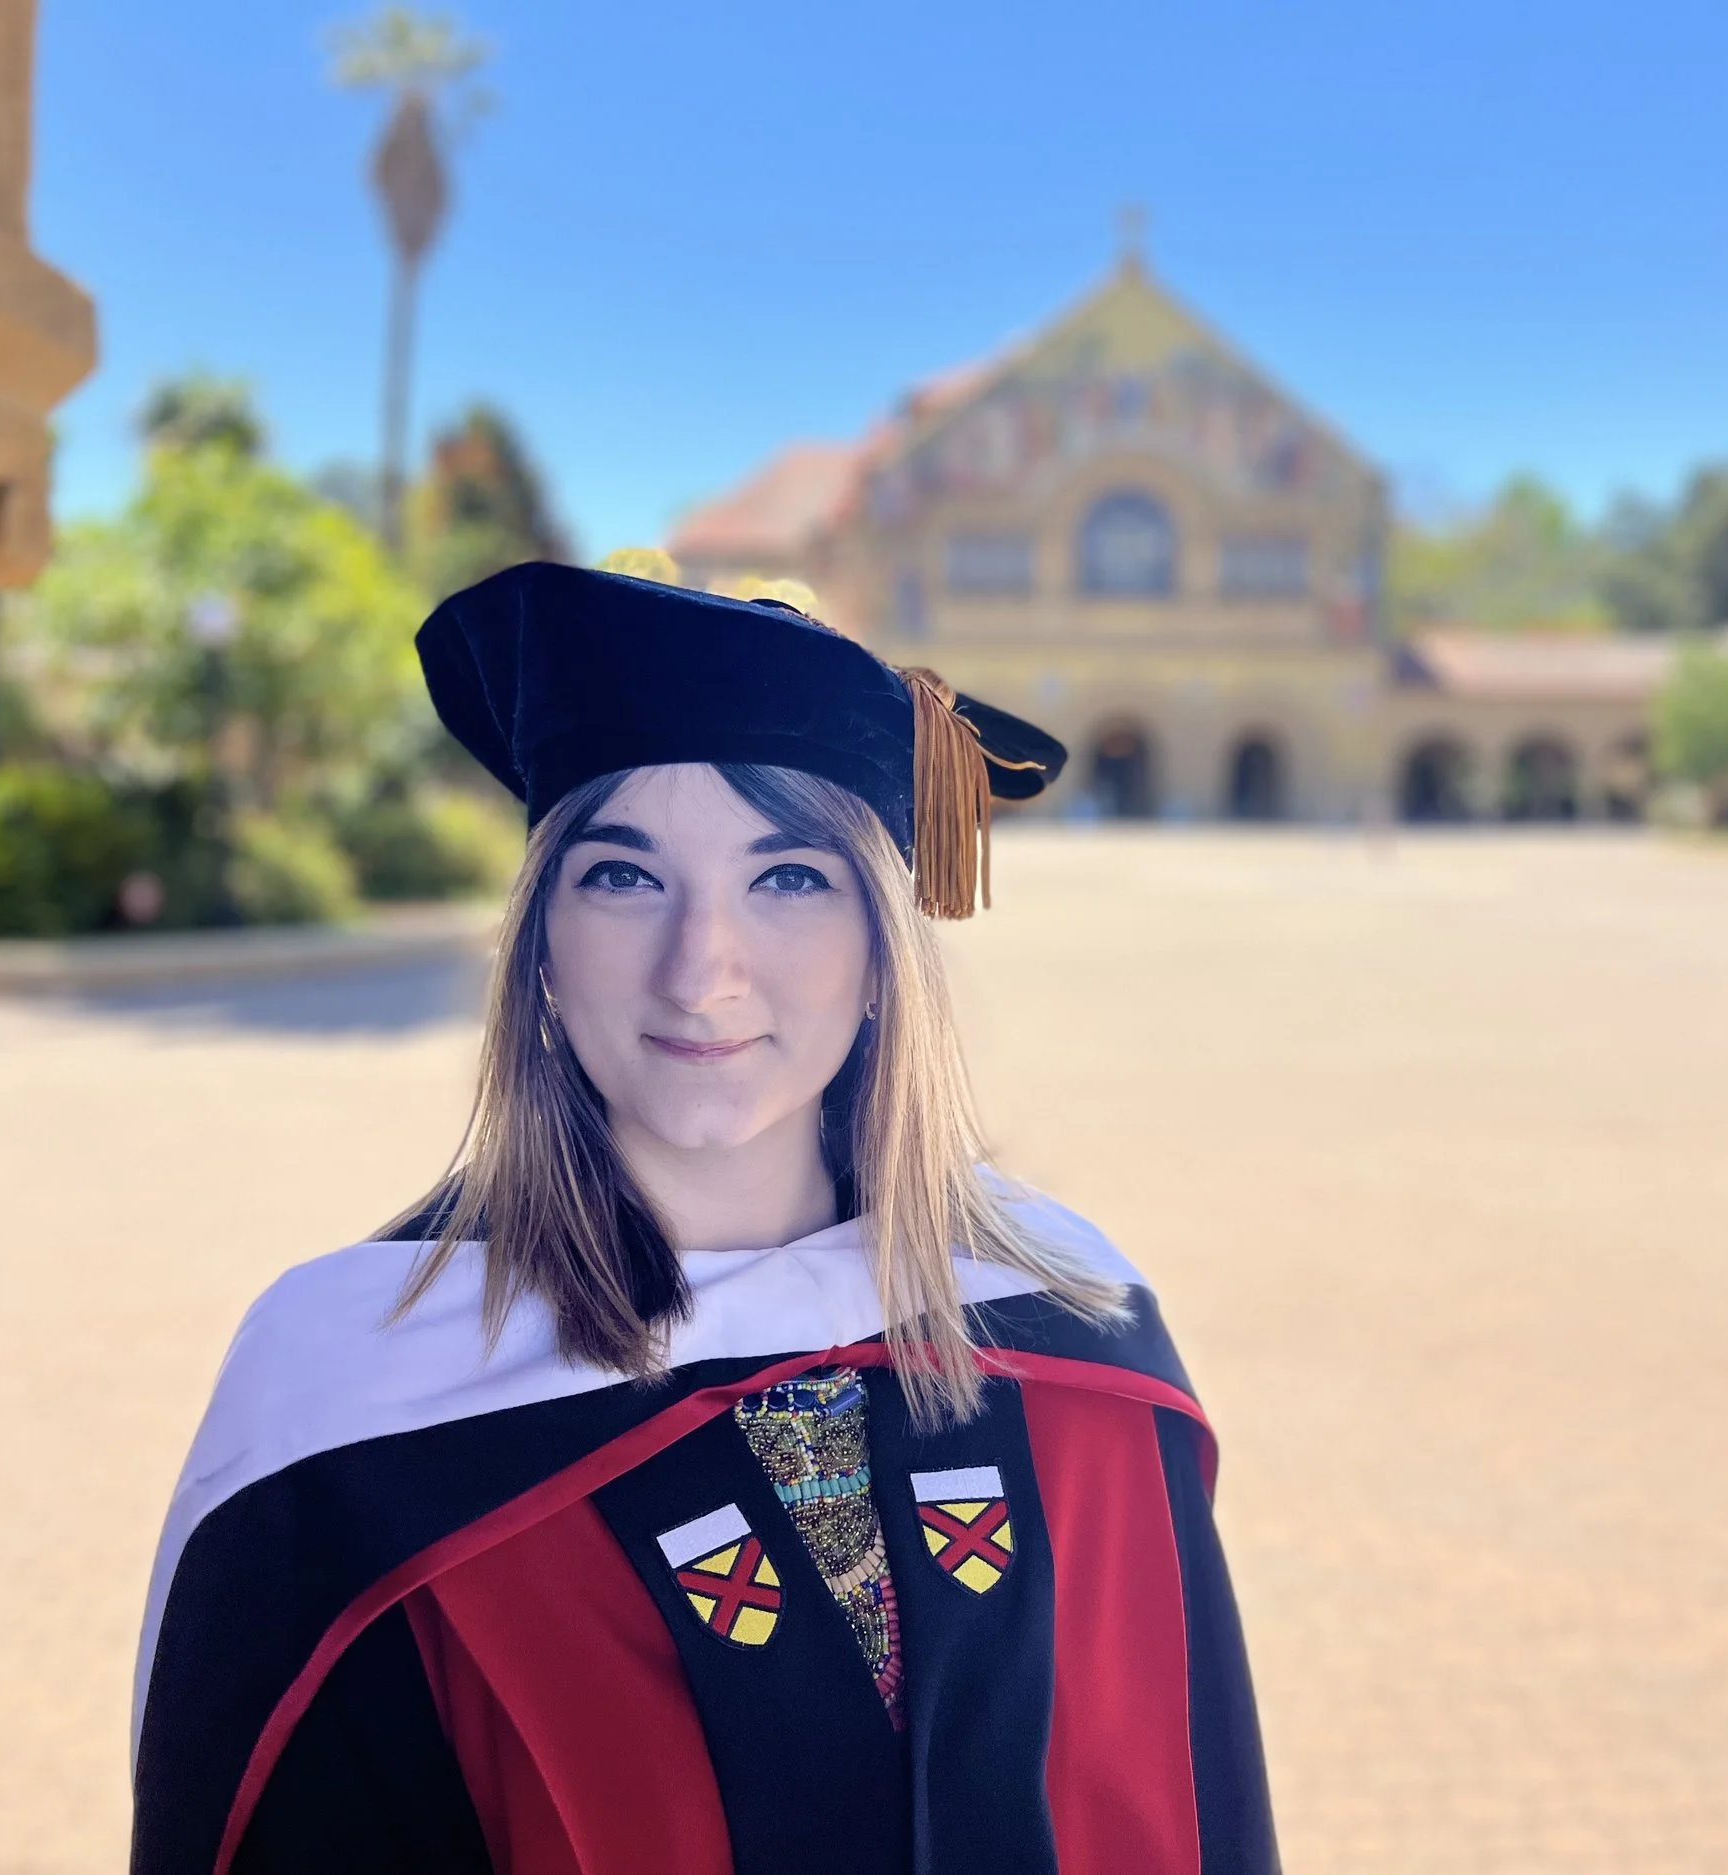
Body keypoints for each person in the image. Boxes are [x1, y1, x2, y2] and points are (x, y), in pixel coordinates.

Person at [129, 563, 1276, 1875]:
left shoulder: (1076, 1336)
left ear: (878, 949)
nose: (704, 967)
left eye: (787, 878)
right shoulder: (348, 1407)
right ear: (542, 942)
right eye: (624, 876)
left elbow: (1199, 1812)